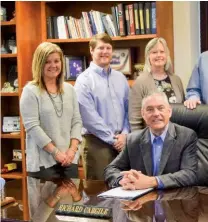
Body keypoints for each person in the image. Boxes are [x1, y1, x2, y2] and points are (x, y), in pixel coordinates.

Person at [104, 92, 198, 190]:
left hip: (173, 198)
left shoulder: (186, 136)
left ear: (169, 111)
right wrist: (123, 180)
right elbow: (111, 169)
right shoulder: (133, 139)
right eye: (150, 109)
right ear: (143, 114)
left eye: (161, 108)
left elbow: (190, 174)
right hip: (142, 201)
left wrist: (152, 182)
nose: (156, 114)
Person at [20, 42, 82, 179]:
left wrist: (72, 151)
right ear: (39, 64)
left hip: (69, 160)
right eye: (47, 62)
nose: (53, 65)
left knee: (71, 201)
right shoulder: (30, 91)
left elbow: (77, 121)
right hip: (43, 163)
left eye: (56, 61)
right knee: (45, 200)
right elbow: (32, 127)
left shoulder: (70, 90)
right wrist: (56, 153)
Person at [74, 33, 130, 180]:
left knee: (124, 190)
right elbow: (88, 117)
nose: (105, 52)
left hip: (122, 143)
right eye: (100, 48)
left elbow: (128, 109)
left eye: (108, 48)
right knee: (99, 194)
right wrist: (113, 140)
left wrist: (125, 134)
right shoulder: (83, 81)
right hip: (96, 144)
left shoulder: (121, 78)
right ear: (91, 50)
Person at [129, 37, 185, 131]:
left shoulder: (176, 80)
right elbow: (135, 120)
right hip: (151, 137)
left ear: (167, 55)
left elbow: (183, 112)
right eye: (154, 52)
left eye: (162, 52)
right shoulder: (140, 82)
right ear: (148, 57)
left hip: (176, 136)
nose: (159, 55)